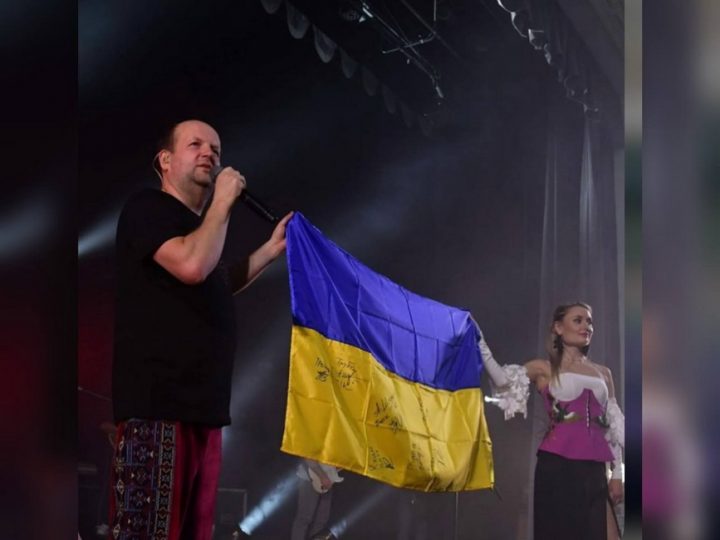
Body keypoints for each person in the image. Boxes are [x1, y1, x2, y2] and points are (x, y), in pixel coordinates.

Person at [109, 119, 292, 540]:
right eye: (195, 144)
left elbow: (215, 280)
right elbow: (192, 266)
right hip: (159, 409)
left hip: (203, 411)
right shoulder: (146, 208)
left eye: (216, 148)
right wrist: (222, 203)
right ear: (165, 160)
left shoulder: (200, 230)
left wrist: (270, 250)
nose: (209, 153)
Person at [478, 302, 624, 540]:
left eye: (589, 321)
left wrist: (616, 474)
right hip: (557, 467)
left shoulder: (603, 373)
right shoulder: (544, 368)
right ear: (558, 327)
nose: (586, 326)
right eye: (578, 320)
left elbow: (612, 427)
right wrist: (480, 344)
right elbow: (503, 380)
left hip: (594, 469)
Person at [291, 458, 343, 540]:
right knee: (304, 518)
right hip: (309, 479)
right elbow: (308, 457)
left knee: (321, 520)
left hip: (329, 480)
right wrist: (322, 476)